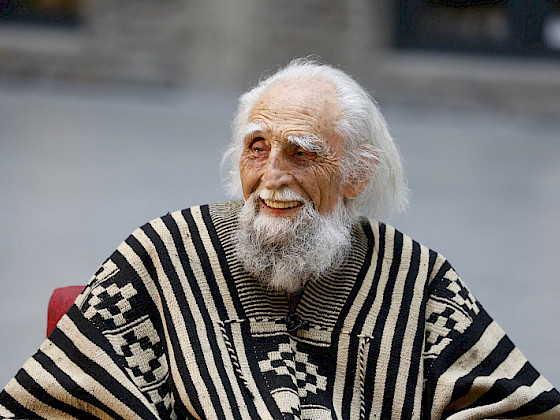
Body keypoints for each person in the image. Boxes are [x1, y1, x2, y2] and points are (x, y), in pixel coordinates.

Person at [1, 59, 558, 420]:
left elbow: (521, 409)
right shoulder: (165, 253)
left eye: (302, 152)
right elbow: (50, 405)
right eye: (257, 147)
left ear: (356, 174)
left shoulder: (417, 280)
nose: (272, 175)